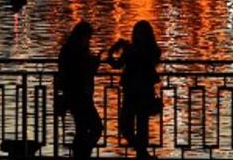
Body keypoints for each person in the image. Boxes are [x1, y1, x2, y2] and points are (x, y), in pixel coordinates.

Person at [106, 20, 161, 159]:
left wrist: (126, 51)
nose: (139, 36)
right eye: (137, 33)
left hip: (142, 92)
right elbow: (118, 65)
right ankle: (142, 153)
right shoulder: (132, 49)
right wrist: (112, 53)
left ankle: (141, 153)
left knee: (140, 126)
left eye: (141, 33)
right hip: (133, 92)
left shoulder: (149, 50)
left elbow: (149, 61)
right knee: (127, 126)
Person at [57, 21, 103, 159]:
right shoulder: (71, 52)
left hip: (82, 96)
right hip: (77, 96)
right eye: (87, 37)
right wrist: (92, 62)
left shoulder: (75, 51)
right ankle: (82, 153)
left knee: (82, 129)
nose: (88, 40)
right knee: (95, 127)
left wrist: (94, 62)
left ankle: (81, 153)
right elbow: (76, 72)